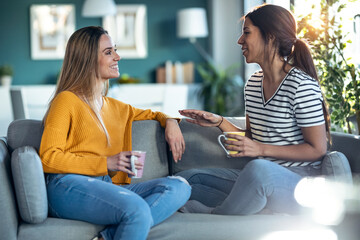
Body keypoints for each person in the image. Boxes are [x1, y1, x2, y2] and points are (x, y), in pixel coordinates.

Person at [39, 26, 191, 240]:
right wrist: (107, 162)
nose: (117, 56)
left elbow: (156, 114)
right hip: (66, 186)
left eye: (115, 50)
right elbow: (47, 158)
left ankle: (106, 238)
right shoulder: (66, 100)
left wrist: (171, 123)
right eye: (108, 52)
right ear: (87, 59)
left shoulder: (117, 107)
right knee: (136, 208)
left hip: (105, 186)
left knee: (179, 186)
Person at [177, 4, 330, 215]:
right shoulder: (253, 84)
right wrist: (220, 122)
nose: (240, 41)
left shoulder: (301, 86)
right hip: (258, 175)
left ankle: (217, 215)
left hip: (300, 182)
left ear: (271, 37)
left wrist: (261, 150)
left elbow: (317, 149)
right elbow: (250, 139)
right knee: (187, 180)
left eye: (246, 33)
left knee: (259, 169)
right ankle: (253, 204)